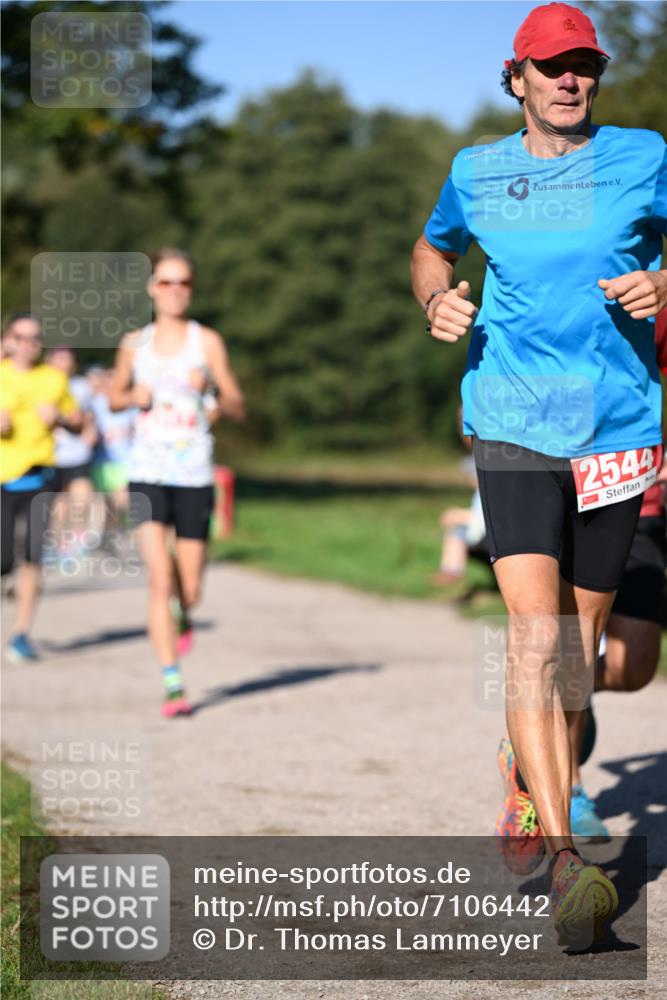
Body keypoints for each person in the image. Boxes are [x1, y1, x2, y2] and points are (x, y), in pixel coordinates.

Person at [411, 2, 666, 950]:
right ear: (514, 78)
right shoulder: (476, 171)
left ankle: (527, 770)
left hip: (615, 430)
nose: (570, 80)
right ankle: (565, 856)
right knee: (534, 633)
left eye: (584, 65)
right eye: (551, 67)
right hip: (514, 420)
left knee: (580, 654)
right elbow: (432, 246)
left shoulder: (643, 155)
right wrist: (437, 297)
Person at [110, 248, 246, 717]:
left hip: (193, 476)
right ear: (151, 289)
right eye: (165, 283)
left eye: (182, 283)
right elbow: (112, 397)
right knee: (158, 577)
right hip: (146, 473)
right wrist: (132, 395)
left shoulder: (205, 342)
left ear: (191, 289)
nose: (174, 291)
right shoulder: (134, 343)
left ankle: (184, 611)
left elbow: (236, 405)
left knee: (189, 588)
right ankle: (173, 682)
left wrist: (208, 386)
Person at [572, 308, 667, 838]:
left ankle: (553, 697)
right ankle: (566, 792)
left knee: (635, 666)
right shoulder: (537, 284)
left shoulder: (647, 298)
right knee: (563, 644)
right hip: (549, 494)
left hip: (637, 496)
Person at [1, 314, 81, 660]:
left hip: (40, 476)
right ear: (10, 339)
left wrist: (62, 419)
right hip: (3, 478)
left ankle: (21, 634)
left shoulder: (54, 378)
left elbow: (79, 421)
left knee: (33, 559)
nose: (30, 343)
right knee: (4, 561)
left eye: (36, 338)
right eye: (23, 337)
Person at [45, 347, 98, 561]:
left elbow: (90, 414)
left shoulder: (81, 386)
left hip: (78, 453)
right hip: (52, 454)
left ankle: (79, 537)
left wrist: (90, 431)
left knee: (81, 496)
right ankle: (60, 543)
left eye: (67, 358)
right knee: (59, 502)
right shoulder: (41, 384)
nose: (64, 363)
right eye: (59, 358)